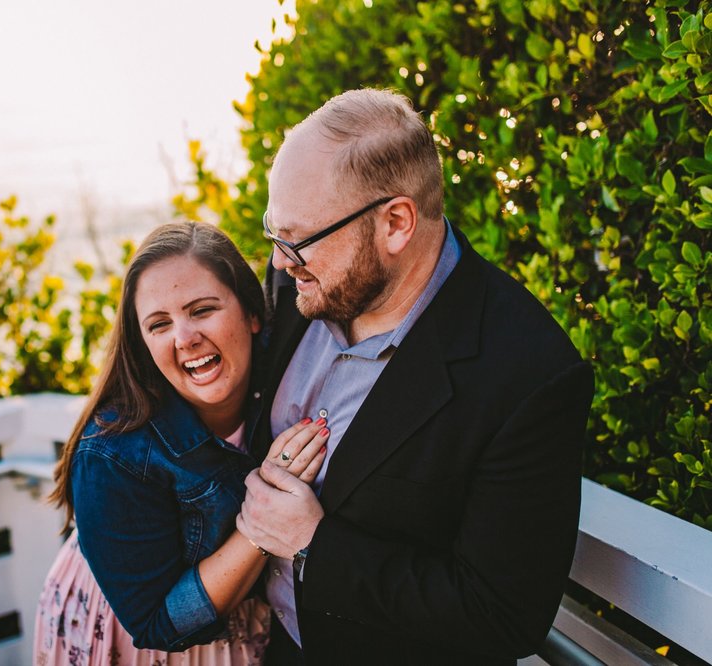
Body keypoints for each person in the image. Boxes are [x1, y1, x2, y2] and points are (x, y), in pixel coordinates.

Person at [235, 88, 595, 665]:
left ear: (396, 224)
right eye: (273, 232)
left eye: (296, 239)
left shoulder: (527, 374)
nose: (279, 260)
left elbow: (501, 617)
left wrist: (314, 546)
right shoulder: (298, 281)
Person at [35, 222, 330, 665]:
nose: (184, 338)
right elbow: (155, 622)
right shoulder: (111, 454)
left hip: (246, 624)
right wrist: (262, 515)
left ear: (252, 315)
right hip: (130, 636)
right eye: (159, 324)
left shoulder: (287, 372)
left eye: (202, 309)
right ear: (143, 344)